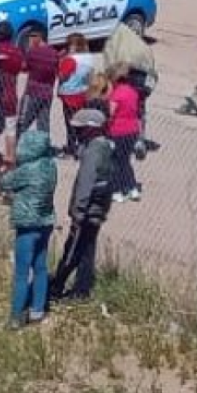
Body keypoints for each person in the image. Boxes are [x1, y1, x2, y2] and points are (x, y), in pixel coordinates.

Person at [51, 108, 116, 304]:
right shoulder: (107, 147)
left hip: (86, 212)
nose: (76, 133)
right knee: (87, 252)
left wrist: (77, 211)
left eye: (80, 129)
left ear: (91, 129)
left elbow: (85, 183)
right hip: (97, 210)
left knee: (72, 251)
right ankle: (82, 289)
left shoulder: (94, 151)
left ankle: (57, 287)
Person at [0, 129, 58, 329]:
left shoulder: (26, 170)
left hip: (27, 225)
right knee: (40, 267)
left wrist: (8, 169)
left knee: (22, 272)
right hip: (46, 222)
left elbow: (4, 183)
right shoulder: (50, 166)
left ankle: (16, 316)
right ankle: (37, 310)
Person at [58, 33, 98, 156]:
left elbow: (62, 76)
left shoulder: (71, 60)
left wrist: (61, 61)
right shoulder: (89, 58)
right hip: (83, 93)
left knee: (70, 123)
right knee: (81, 121)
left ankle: (71, 148)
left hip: (70, 94)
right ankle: (82, 145)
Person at [108, 64, 143, 202]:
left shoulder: (116, 94)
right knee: (125, 161)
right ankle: (132, 188)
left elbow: (110, 113)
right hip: (133, 130)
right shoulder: (133, 92)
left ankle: (117, 191)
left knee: (115, 161)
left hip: (118, 131)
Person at [0, 22, 26, 162]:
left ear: (0, 35)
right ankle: (10, 156)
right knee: (10, 128)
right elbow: (22, 68)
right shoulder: (17, 52)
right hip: (11, 92)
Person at [18, 30, 59, 137]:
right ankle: (43, 147)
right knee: (44, 124)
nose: (29, 40)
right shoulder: (54, 53)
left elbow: (23, 67)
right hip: (48, 92)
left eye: (31, 38)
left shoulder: (32, 52)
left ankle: (16, 145)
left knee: (23, 122)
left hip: (33, 92)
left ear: (38, 38)